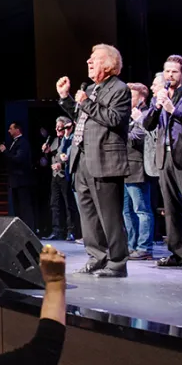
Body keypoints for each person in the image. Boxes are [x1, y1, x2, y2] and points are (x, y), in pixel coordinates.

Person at [56, 44, 131, 277]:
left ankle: (117, 263)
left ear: (109, 64)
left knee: (109, 216)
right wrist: (66, 98)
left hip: (105, 161)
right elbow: (81, 119)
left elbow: (114, 118)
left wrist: (86, 101)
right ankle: (96, 257)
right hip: (82, 160)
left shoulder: (120, 89)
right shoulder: (91, 88)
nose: (89, 62)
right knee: (88, 215)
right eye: (89, 58)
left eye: (95, 59)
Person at [143, 55, 182, 269]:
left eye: (174, 72)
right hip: (164, 156)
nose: (170, 75)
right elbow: (148, 124)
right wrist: (158, 106)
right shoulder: (159, 96)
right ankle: (177, 253)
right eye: (167, 71)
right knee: (171, 208)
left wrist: (173, 110)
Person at [124, 84, 155, 260]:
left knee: (141, 209)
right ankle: (132, 245)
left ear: (141, 99)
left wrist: (117, 134)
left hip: (137, 168)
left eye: (131, 97)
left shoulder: (143, 116)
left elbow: (138, 138)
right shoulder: (129, 117)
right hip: (124, 169)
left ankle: (144, 247)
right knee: (126, 211)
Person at [45, 118, 78, 241]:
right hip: (55, 176)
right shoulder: (55, 140)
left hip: (66, 175)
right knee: (55, 204)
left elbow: (70, 156)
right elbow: (55, 155)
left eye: (59, 127)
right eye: (56, 127)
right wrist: (46, 151)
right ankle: (56, 230)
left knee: (69, 205)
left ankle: (71, 231)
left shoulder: (71, 139)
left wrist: (62, 165)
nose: (56, 129)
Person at [0, 122, 35, 230]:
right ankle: (20, 231)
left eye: (11, 128)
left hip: (22, 180)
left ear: (17, 130)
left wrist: (5, 151)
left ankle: (29, 230)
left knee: (24, 207)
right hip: (14, 180)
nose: (9, 131)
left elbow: (18, 159)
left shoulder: (23, 143)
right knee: (17, 207)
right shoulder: (14, 142)